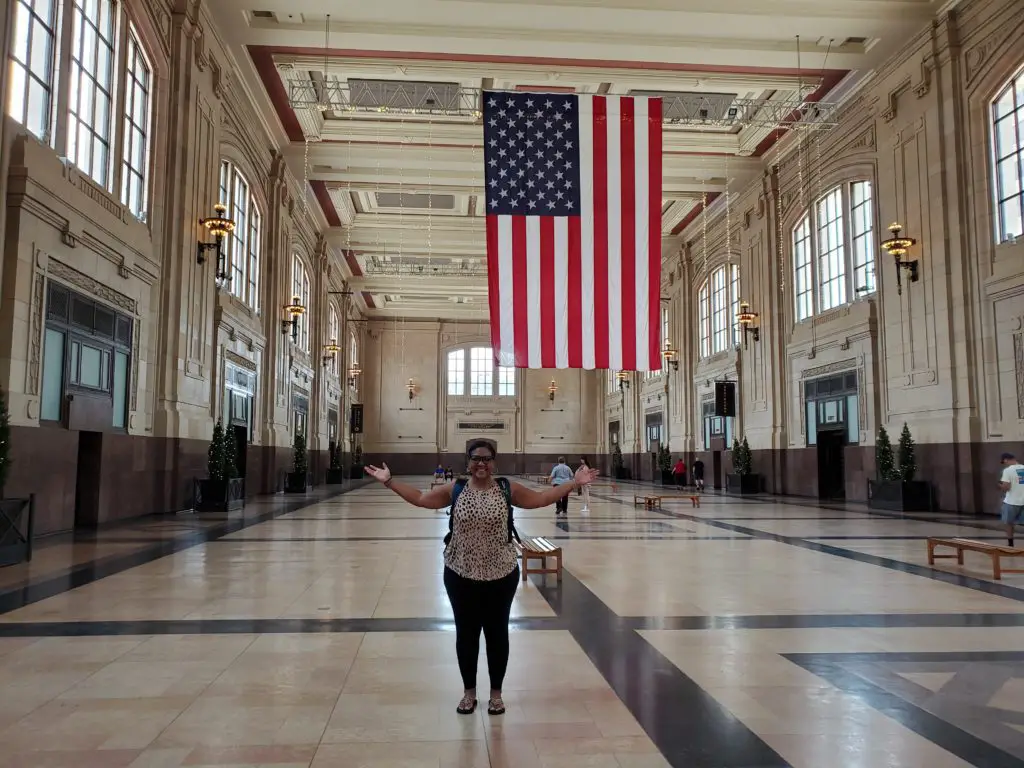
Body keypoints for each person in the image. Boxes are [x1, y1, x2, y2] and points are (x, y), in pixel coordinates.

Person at [364, 440, 598, 716]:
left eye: (487, 459)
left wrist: (574, 483)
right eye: (476, 459)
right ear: (468, 461)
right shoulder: (457, 488)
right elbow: (421, 499)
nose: (481, 464)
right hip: (460, 573)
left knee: (497, 635)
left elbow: (540, 499)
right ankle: (469, 693)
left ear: (494, 462)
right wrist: (389, 482)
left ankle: (496, 695)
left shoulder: (506, 488)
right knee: (466, 635)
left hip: (501, 574)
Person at [998, 452, 1024, 547]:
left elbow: (1006, 487)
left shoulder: (1007, 470)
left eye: (1004, 462)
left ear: (1006, 460)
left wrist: (1000, 485)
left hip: (1012, 501)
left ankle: (1010, 543)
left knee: (1009, 523)